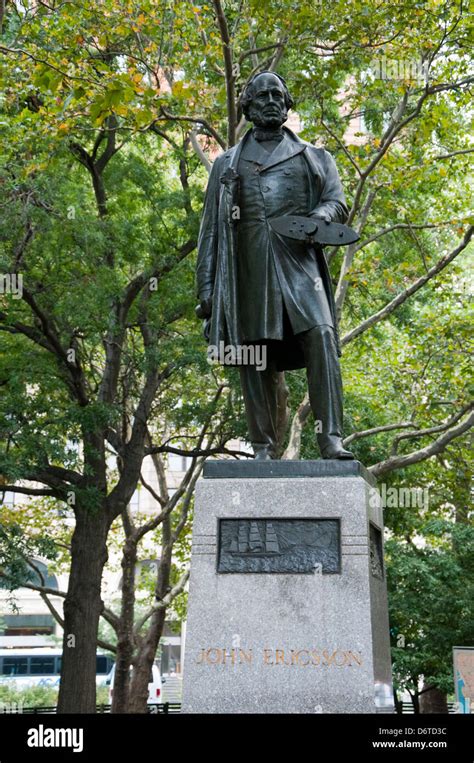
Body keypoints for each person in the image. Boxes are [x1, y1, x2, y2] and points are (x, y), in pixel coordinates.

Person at [196, 71, 354, 461]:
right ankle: (263, 447)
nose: (270, 100)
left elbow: (337, 203)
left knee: (320, 335)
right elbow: (211, 231)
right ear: (247, 107)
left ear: (288, 104)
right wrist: (207, 290)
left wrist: (315, 219)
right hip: (247, 267)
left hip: (300, 265)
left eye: (277, 94)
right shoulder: (226, 164)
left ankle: (330, 439)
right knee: (254, 353)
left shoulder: (316, 157)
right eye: (261, 95)